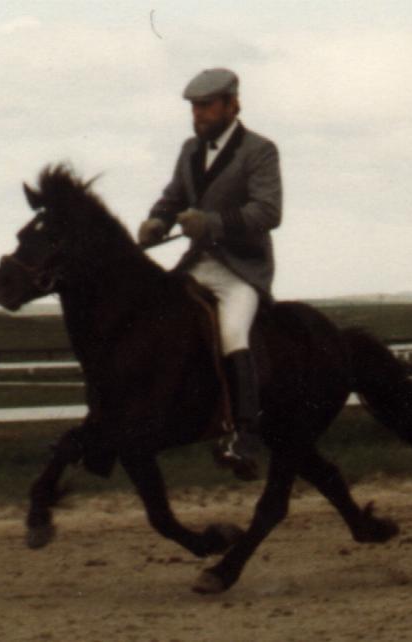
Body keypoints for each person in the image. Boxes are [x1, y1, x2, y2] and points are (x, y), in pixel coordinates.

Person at [138, 68, 282, 479]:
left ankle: (245, 432)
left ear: (231, 104)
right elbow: (173, 198)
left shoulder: (259, 151)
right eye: (193, 107)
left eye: (205, 106)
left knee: (234, 333)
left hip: (241, 269)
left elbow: (268, 211)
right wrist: (156, 222)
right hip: (197, 265)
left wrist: (213, 223)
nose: (197, 115)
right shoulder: (189, 150)